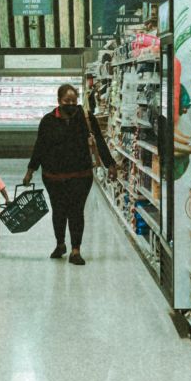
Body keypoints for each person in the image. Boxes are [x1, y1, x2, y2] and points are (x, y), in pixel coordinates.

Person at [23, 83, 115, 265]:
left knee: (76, 211)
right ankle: (60, 244)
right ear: (59, 101)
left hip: (81, 175)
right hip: (53, 176)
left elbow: (99, 140)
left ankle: (76, 250)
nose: (71, 104)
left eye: (74, 101)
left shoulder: (86, 118)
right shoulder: (48, 121)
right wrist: (30, 171)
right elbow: (40, 147)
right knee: (58, 211)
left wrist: (110, 164)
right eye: (67, 101)